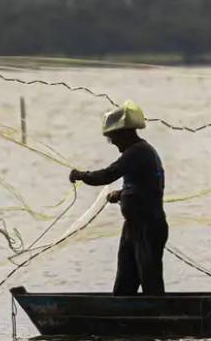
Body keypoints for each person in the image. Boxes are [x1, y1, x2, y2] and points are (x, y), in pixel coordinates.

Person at [69, 100, 168, 295]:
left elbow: (108, 174)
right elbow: (145, 186)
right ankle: (123, 314)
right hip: (134, 226)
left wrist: (81, 175)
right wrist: (123, 194)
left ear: (124, 133)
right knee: (124, 283)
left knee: (150, 281)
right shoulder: (138, 153)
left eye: (112, 137)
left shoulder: (138, 152)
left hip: (148, 227)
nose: (112, 142)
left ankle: (159, 316)